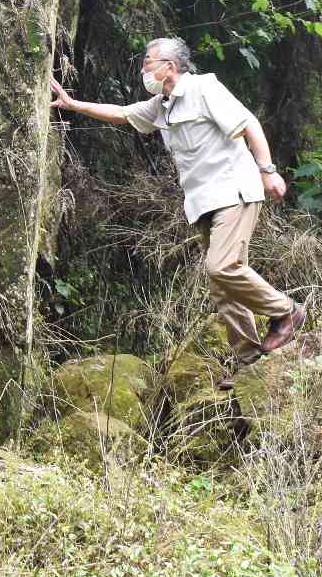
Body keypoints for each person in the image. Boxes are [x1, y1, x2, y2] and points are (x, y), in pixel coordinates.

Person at [50, 36, 304, 366]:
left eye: (148, 62)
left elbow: (248, 124)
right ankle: (249, 362)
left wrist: (267, 170)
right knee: (222, 289)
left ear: (169, 67)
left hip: (234, 192)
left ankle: (287, 311)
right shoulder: (163, 105)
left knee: (222, 266)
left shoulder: (203, 89)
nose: (143, 69)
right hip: (203, 204)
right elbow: (123, 113)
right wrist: (74, 104)